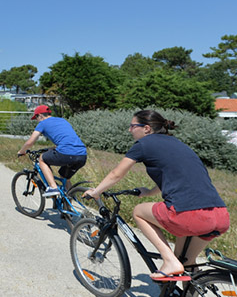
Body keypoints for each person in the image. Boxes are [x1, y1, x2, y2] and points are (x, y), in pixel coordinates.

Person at [85, 110, 229, 282]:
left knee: (138, 211)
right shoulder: (177, 144)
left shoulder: (144, 144)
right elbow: (174, 176)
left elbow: (117, 173)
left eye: (132, 126)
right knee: (187, 263)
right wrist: (149, 192)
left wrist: (96, 191)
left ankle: (168, 261)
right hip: (219, 215)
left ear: (146, 128)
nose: (129, 130)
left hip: (188, 214)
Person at [16, 104, 87, 197]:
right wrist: (52, 148)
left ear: (40, 115)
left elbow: (30, 142)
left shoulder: (42, 123)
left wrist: (21, 151)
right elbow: (67, 140)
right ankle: (68, 207)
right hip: (82, 155)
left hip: (66, 153)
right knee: (65, 177)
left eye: (36, 117)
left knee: (42, 159)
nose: (36, 120)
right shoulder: (62, 120)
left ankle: (53, 187)